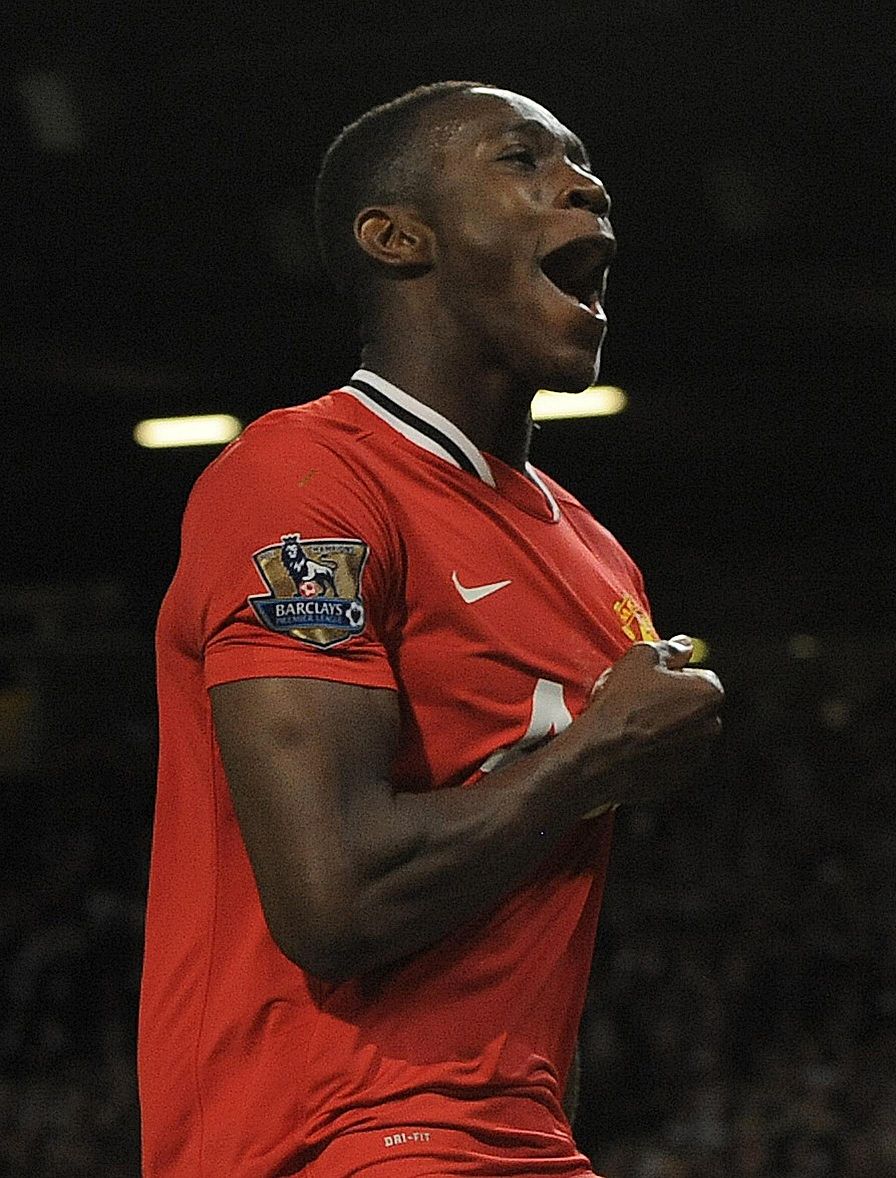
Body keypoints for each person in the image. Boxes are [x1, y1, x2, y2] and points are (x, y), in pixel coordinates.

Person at [137, 81, 724, 1177]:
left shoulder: (599, 558)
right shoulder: (303, 482)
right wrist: (597, 752)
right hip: (327, 1135)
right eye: (521, 159)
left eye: (585, 162)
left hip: (516, 1136)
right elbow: (334, 897)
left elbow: (533, 922)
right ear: (396, 237)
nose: (586, 185)